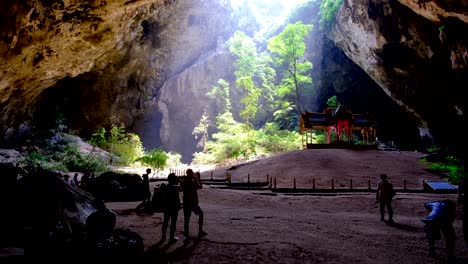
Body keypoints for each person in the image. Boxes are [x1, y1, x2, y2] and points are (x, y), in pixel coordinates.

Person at [181, 168, 207, 242]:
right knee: (201, 214)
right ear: (191, 174)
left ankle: (186, 237)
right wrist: (198, 178)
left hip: (186, 203)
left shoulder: (184, 182)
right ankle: (200, 231)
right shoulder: (194, 182)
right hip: (193, 203)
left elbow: (182, 187)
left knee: (186, 219)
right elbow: (200, 187)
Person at [161, 173, 182, 243]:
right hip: (174, 208)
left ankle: (163, 235)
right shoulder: (176, 188)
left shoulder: (165, 187)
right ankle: (171, 237)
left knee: (165, 222)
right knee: (173, 222)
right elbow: (181, 187)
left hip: (167, 207)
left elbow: (163, 198)